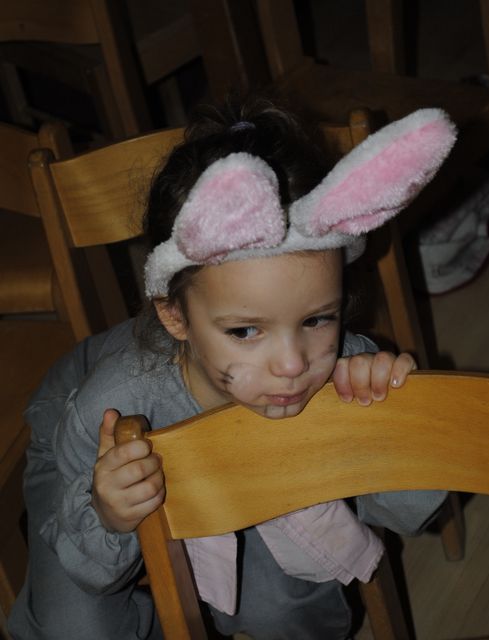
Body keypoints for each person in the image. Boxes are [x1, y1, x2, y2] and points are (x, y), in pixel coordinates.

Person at [8, 97, 457, 640]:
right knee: (76, 629)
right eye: (246, 331)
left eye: (317, 319)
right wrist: (108, 515)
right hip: (81, 443)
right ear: (175, 317)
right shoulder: (110, 400)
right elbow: (88, 569)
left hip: (231, 462)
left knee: (282, 612)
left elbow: (416, 511)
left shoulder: (344, 368)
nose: (292, 365)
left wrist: (392, 423)